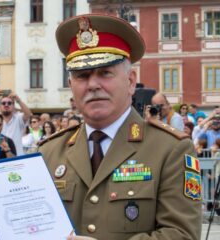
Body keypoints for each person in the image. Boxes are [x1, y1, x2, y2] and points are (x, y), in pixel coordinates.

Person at [39, 14, 201, 240]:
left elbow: (182, 235)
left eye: (105, 73)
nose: (93, 85)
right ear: (71, 86)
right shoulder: (48, 153)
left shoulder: (171, 149)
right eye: (82, 76)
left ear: (131, 81)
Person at [0, 88, 32, 156]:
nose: (6, 105)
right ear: (0, 106)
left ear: (13, 106)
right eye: (3, 103)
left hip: (16, 158)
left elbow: (28, 114)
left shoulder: (19, 118)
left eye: (9, 103)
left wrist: (18, 100)